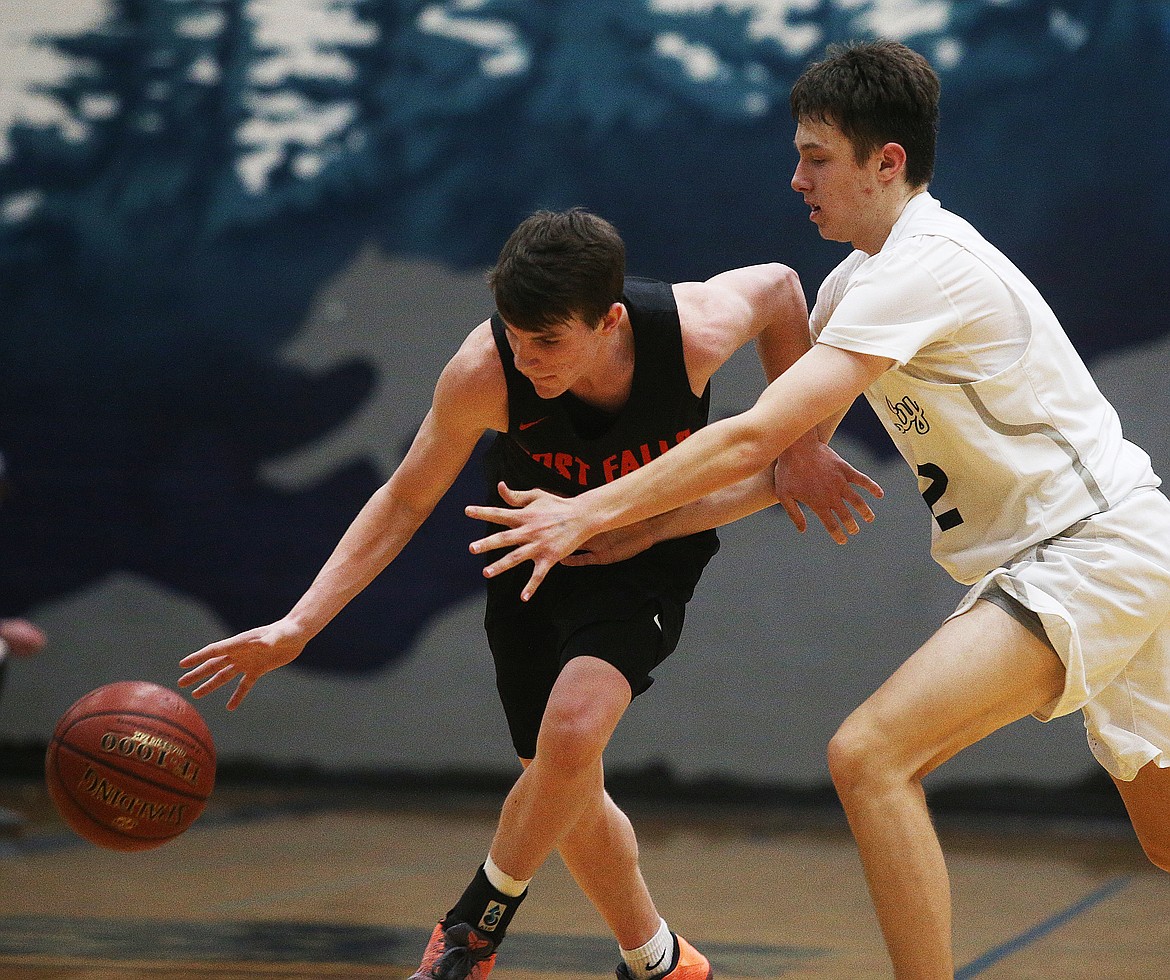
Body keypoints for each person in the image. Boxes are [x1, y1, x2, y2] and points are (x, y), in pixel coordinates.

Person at [466, 41, 1170, 980]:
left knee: (870, 756)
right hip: (1090, 556)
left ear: (888, 163)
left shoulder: (927, 264)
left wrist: (584, 511)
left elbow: (753, 436)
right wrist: (637, 529)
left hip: (1095, 548)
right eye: (796, 154)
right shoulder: (851, 290)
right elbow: (783, 472)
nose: (795, 177)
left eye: (817, 157)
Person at [177, 207, 881, 980]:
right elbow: (406, 499)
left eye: (548, 341)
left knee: (572, 734)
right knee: (560, 785)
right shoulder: (485, 370)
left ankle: (471, 930)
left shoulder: (691, 331)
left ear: (609, 320)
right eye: (514, 334)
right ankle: (660, 961)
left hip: (642, 548)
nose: (528, 356)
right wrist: (299, 624)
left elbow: (783, 289)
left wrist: (806, 447)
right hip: (530, 551)